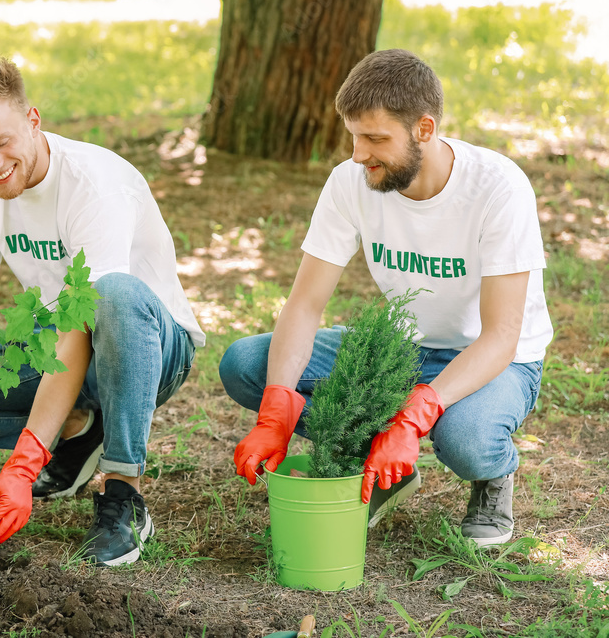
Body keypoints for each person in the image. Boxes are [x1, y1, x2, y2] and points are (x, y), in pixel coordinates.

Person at [219, 49, 552, 547]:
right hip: (404, 348)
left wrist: (416, 415)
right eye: (354, 135)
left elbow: (502, 335)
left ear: (424, 128)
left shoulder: (497, 188)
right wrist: (276, 408)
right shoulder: (351, 182)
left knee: (461, 437)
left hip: (494, 359)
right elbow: (305, 305)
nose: (358, 154)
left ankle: (492, 475)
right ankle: (374, 456)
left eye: (375, 138)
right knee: (248, 364)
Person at [0, 54, 205, 566]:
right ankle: (80, 431)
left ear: (33, 120)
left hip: (143, 350)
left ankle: (123, 491)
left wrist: (24, 462)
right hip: (59, 344)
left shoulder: (92, 185)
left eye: (1, 142)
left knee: (112, 296)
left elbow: (84, 323)